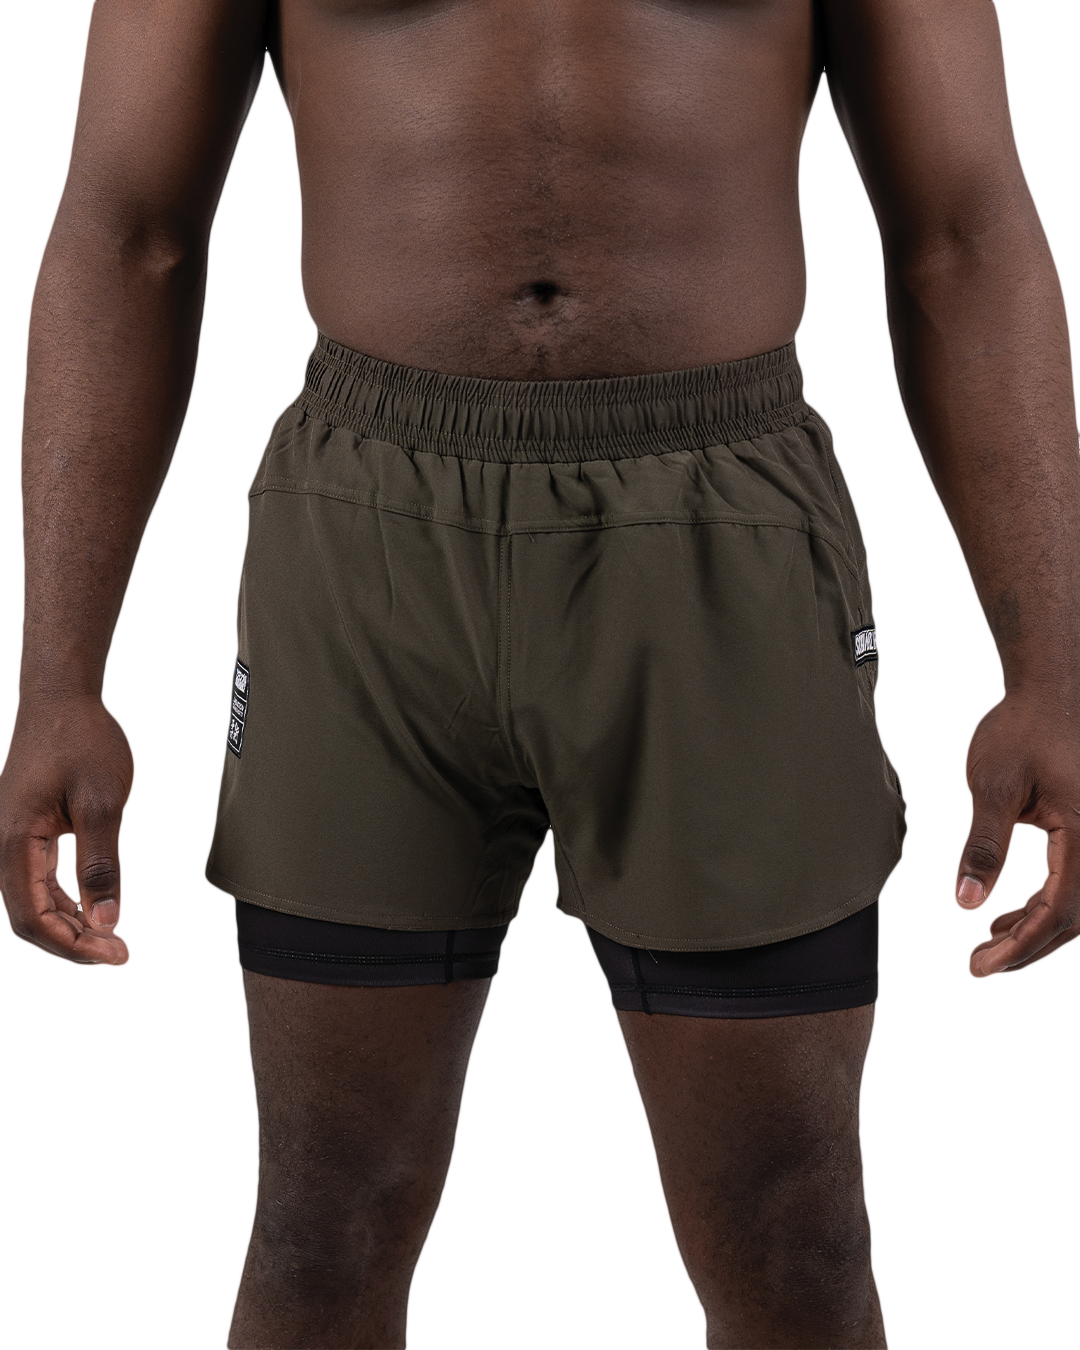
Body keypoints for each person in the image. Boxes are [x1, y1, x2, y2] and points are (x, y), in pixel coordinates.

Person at [1, 0, 1078, 1346]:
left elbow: (963, 231)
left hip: (718, 528)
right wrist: (59, 675)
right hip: (368, 541)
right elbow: (129, 230)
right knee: (323, 1217)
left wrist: (1052, 670)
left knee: (795, 1229)